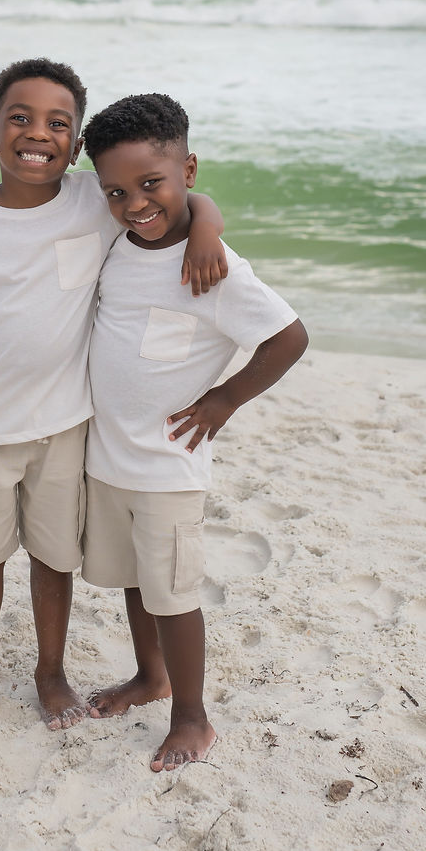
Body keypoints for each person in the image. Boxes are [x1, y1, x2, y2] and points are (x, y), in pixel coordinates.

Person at [0, 59, 228, 743]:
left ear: (76, 139)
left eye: (58, 123)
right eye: (20, 120)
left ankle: (50, 673)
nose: (39, 134)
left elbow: (178, 192)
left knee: (54, 560)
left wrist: (206, 223)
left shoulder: (96, 199)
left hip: (68, 428)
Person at [81, 92, 308, 771]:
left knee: (175, 596)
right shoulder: (119, 242)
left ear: (189, 170)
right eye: (117, 191)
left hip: (167, 468)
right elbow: (154, 206)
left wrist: (226, 399)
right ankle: (150, 678)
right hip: (110, 459)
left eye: (152, 184)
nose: (135, 203)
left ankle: (192, 716)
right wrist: (197, 214)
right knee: (136, 582)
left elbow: (289, 338)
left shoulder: (214, 268)